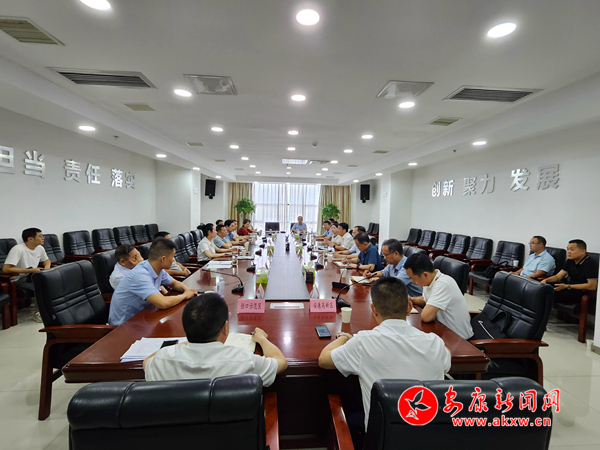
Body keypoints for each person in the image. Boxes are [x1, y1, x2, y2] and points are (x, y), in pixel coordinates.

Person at [318, 277, 450, 439]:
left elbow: (324, 359)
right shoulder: (435, 343)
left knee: (350, 412)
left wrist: (345, 337)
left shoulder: (363, 342)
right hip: (430, 439)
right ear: (409, 308)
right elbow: (447, 354)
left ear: (374, 310)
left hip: (382, 440)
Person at [144, 293, 287, 386]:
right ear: (225, 328)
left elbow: (147, 361)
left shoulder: (162, 360)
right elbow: (281, 362)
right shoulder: (243, 360)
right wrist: (262, 339)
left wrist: (189, 341)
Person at [108, 238, 198, 326]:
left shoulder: (156, 268)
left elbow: (174, 283)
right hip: (125, 326)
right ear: (163, 259)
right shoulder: (140, 275)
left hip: (144, 316)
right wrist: (185, 295)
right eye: (172, 257)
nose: (173, 260)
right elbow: (162, 303)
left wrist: (187, 291)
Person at [404, 253, 473, 340]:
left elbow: (426, 317)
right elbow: (426, 299)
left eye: (413, 278)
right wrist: (411, 299)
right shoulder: (430, 280)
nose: (412, 281)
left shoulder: (443, 284)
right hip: (442, 331)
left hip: (458, 338)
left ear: (425, 275)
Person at [3, 228, 51, 322]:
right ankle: (38, 313)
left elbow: (46, 260)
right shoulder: (18, 249)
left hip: (32, 275)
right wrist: (30, 270)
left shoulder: (39, 248)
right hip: (18, 278)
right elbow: (6, 269)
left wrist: (47, 268)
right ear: (30, 239)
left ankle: (50, 309)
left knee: (51, 282)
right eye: (40, 236)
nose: (43, 238)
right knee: (41, 286)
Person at [542, 239, 598, 308]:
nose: (568, 252)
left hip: (580, 292)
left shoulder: (590, 263)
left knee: (548, 294)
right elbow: (558, 276)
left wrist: (567, 286)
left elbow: (592, 286)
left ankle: (541, 314)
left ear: (583, 251)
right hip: (568, 287)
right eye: (567, 249)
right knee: (544, 289)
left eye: (572, 250)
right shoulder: (570, 261)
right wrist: (545, 280)